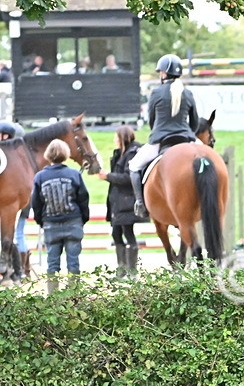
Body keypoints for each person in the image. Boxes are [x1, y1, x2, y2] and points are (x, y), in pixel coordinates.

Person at [127, 53, 199, 219]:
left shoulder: (157, 92)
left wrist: (158, 131)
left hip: (161, 142)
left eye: (160, 72)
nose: (160, 75)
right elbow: (194, 122)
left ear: (165, 73)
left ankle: (140, 203)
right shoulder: (188, 93)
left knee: (134, 166)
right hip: (186, 139)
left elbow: (152, 121)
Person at [31, 139, 89, 290]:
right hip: (73, 222)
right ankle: (74, 297)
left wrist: (41, 221)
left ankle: (53, 298)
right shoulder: (74, 174)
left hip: (51, 225)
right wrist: (82, 219)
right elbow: (83, 198)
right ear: (66, 154)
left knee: (52, 264)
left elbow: (36, 204)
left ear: (48, 155)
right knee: (73, 262)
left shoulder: (40, 177)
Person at [99, 126, 144, 278]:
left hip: (126, 201)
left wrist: (108, 176)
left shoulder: (132, 154)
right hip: (117, 201)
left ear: (122, 138)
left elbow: (127, 178)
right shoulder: (120, 154)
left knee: (128, 234)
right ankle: (122, 268)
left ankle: (131, 271)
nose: (114, 140)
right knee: (116, 234)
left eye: (116, 137)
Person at [0, 121, 32, 281]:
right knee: (14, 236)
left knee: (13, 236)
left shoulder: (10, 156)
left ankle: (18, 271)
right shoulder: (20, 155)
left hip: (16, 204)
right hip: (18, 202)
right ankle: (18, 272)